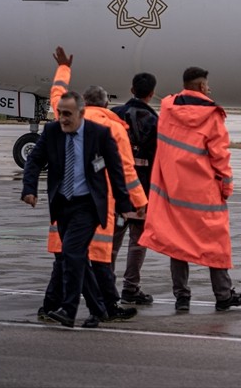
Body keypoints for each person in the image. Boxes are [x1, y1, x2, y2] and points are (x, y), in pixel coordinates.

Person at [21, 60, 137, 328]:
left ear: (82, 112)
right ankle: (99, 310)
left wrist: (125, 204)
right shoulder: (53, 129)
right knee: (79, 259)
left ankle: (68, 310)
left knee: (72, 253)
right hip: (62, 205)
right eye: (59, 114)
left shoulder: (103, 133)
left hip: (89, 205)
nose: (62, 118)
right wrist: (29, 189)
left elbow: (120, 171)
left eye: (67, 115)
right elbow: (34, 160)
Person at [139, 67, 241, 312]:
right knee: (216, 243)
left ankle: (182, 296)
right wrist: (226, 186)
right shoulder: (212, 115)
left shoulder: (167, 109)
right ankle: (222, 295)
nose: (209, 89)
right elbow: (220, 156)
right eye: (207, 85)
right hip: (203, 192)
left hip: (173, 189)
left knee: (178, 242)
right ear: (200, 87)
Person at [110, 71, 159, 305]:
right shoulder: (153, 120)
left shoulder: (114, 115)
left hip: (115, 191)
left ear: (131, 90)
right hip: (141, 192)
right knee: (137, 242)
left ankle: (105, 283)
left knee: (112, 239)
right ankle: (131, 287)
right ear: (151, 94)